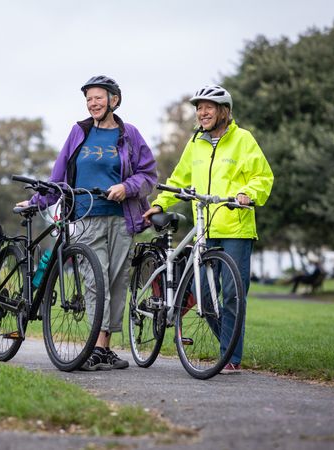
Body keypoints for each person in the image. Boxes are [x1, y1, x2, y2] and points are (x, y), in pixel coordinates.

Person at [17, 75, 157, 371]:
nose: (93, 103)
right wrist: (36, 202)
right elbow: (58, 177)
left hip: (122, 219)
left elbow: (148, 175)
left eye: (99, 98)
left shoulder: (129, 134)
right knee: (96, 281)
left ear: (114, 100)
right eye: (89, 99)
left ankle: (103, 348)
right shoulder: (78, 133)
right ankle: (95, 346)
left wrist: (127, 187)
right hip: (85, 215)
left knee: (117, 281)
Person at [142, 85, 274, 374]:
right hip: (205, 228)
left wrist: (247, 195)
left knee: (231, 294)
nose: (202, 113)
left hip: (235, 228)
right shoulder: (196, 143)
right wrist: (161, 203)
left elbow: (262, 177)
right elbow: (179, 178)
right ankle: (228, 349)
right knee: (202, 292)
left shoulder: (243, 139)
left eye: (208, 108)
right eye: (199, 108)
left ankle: (231, 357)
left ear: (223, 111)